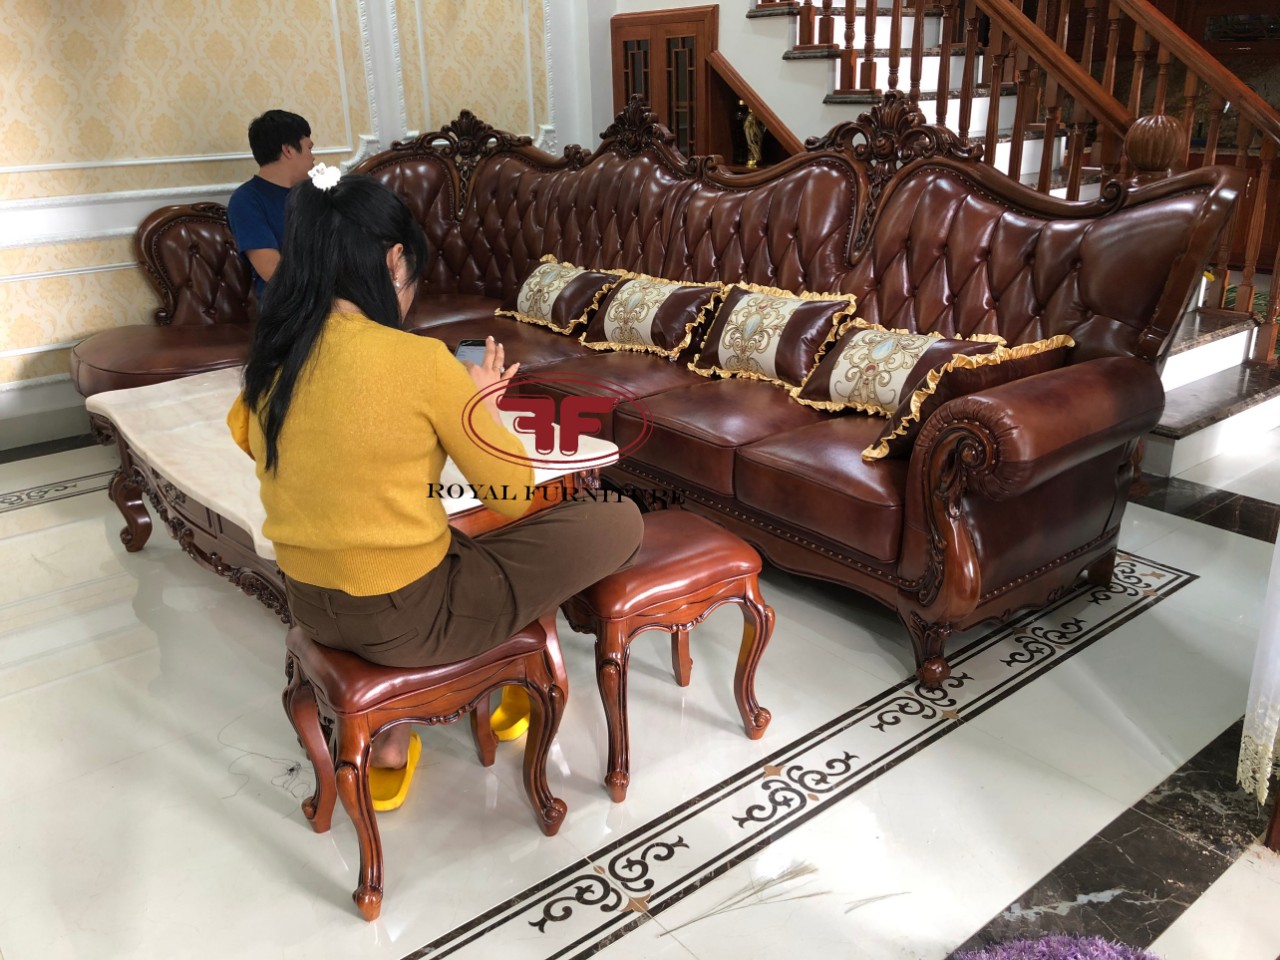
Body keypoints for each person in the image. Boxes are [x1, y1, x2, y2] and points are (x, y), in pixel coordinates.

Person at [227, 166, 643, 810]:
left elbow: (251, 439)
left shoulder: (273, 359)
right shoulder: (420, 362)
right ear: (394, 260)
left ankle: (400, 740)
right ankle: (504, 680)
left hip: (309, 601)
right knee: (614, 517)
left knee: (459, 536)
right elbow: (510, 492)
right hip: (407, 619)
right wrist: (484, 404)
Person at [226, 110, 315, 298]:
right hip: (289, 304)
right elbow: (273, 271)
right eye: (309, 148)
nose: (313, 157)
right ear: (288, 150)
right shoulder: (246, 200)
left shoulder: (315, 192)